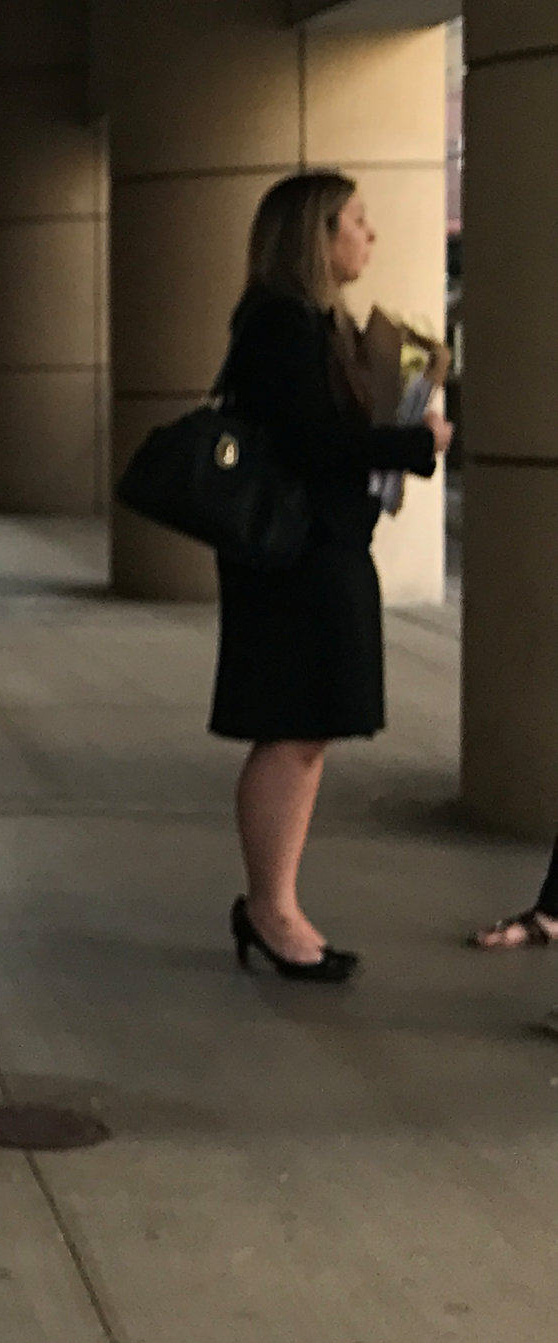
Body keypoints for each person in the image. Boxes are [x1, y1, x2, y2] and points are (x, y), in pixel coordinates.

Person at [212, 169, 449, 981]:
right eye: (355, 220)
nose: (369, 235)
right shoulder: (284, 326)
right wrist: (418, 444)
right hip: (295, 554)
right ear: (316, 236)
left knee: (306, 729)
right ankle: (270, 909)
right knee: (293, 726)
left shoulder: (311, 323)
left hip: (318, 548)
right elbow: (312, 446)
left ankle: (275, 904)